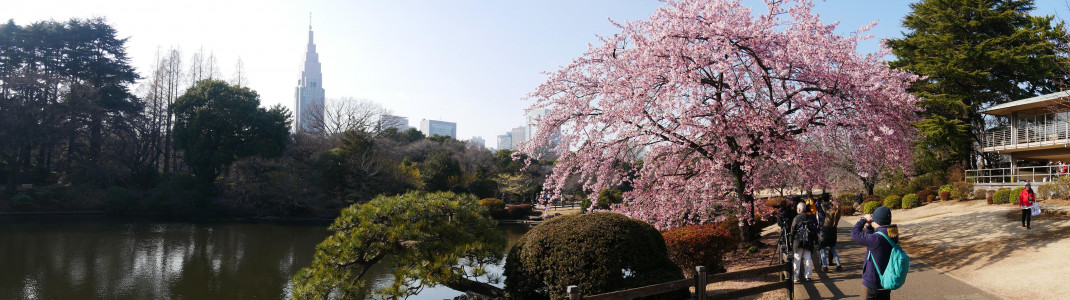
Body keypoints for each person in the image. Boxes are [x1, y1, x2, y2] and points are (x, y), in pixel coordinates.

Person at [851, 206, 899, 300]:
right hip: (886, 281)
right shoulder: (891, 234)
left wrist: (863, 219)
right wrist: (868, 226)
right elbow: (873, 242)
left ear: (877, 221)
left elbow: (854, 233)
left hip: (873, 283)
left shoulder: (876, 239)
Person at [789, 202, 817, 283]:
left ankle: (796, 277)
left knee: (797, 259)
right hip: (808, 241)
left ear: (799, 209)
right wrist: (815, 240)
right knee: (808, 259)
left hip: (798, 241)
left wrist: (791, 240)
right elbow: (814, 230)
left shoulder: (796, 218)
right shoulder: (810, 217)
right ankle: (808, 276)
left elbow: (792, 230)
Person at [818, 199, 843, 272]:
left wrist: (828, 202)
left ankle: (825, 267)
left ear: (832, 206)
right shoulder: (838, 213)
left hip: (825, 231)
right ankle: (839, 265)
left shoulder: (829, 212)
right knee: (832, 249)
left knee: (822, 249)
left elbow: (822, 205)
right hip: (833, 231)